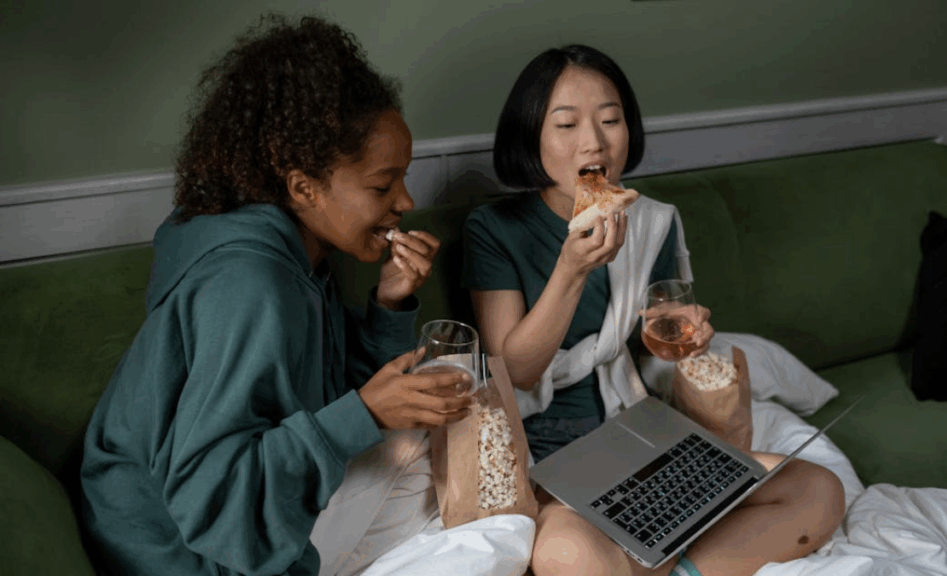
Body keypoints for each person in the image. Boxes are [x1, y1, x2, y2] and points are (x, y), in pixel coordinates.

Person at [79, 15, 473, 576]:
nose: (406, 201)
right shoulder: (251, 286)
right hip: (175, 546)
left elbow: (317, 401)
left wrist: (388, 305)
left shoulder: (304, 254)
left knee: (458, 475)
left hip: (214, 516)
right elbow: (209, 493)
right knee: (487, 523)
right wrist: (364, 414)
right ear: (302, 187)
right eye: (383, 185)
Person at [463, 45, 846, 576]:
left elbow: (660, 335)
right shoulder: (494, 229)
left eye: (611, 120)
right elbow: (517, 371)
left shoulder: (651, 222)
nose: (594, 141)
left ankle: (676, 568)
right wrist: (571, 269)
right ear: (532, 137)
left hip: (637, 433)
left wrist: (690, 338)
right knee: (566, 555)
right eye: (567, 124)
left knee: (817, 490)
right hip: (549, 457)